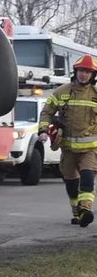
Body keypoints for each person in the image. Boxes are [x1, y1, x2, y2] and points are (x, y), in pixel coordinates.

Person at [39, 54, 97, 227]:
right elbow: (47, 112)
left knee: (87, 178)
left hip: (90, 149)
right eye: (81, 71)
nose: (83, 75)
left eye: (88, 72)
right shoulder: (61, 92)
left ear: (93, 75)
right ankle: (77, 212)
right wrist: (43, 130)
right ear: (75, 72)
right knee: (71, 183)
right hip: (67, 149)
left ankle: (86, 210)